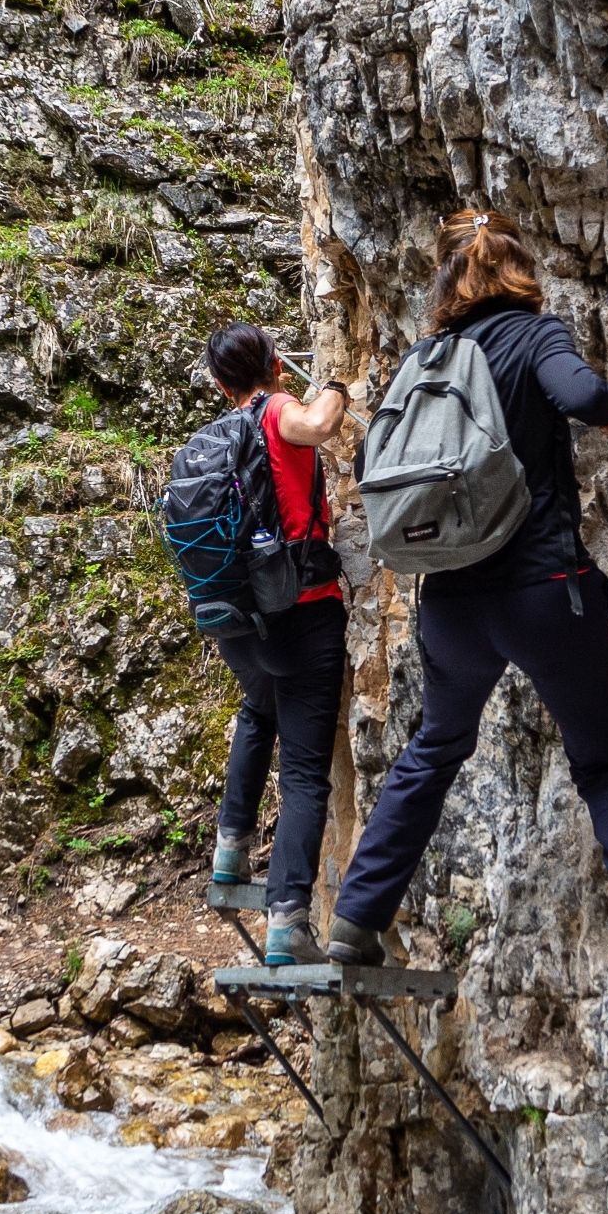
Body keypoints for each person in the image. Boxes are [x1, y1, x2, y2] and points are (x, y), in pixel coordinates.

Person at [327, 210, 608, 965]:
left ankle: (355, 919)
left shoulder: (424, 359)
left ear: (446, 282)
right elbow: (581, 395)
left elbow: (376, 453)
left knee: (434, 748)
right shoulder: (535, 334)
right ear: (520, 271)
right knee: (599, 755)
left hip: (454, 604)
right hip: (544, 591)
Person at [199, 322, 352, 965]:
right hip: (301, 612)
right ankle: (288, 921)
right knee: (305, 775)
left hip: (235, 620)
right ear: (274, 368)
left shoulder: (215, 436)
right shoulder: (274, 410)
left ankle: (230, 850)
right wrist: (338, 386)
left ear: (217, 382)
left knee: (258, 709)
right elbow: (317, 426)